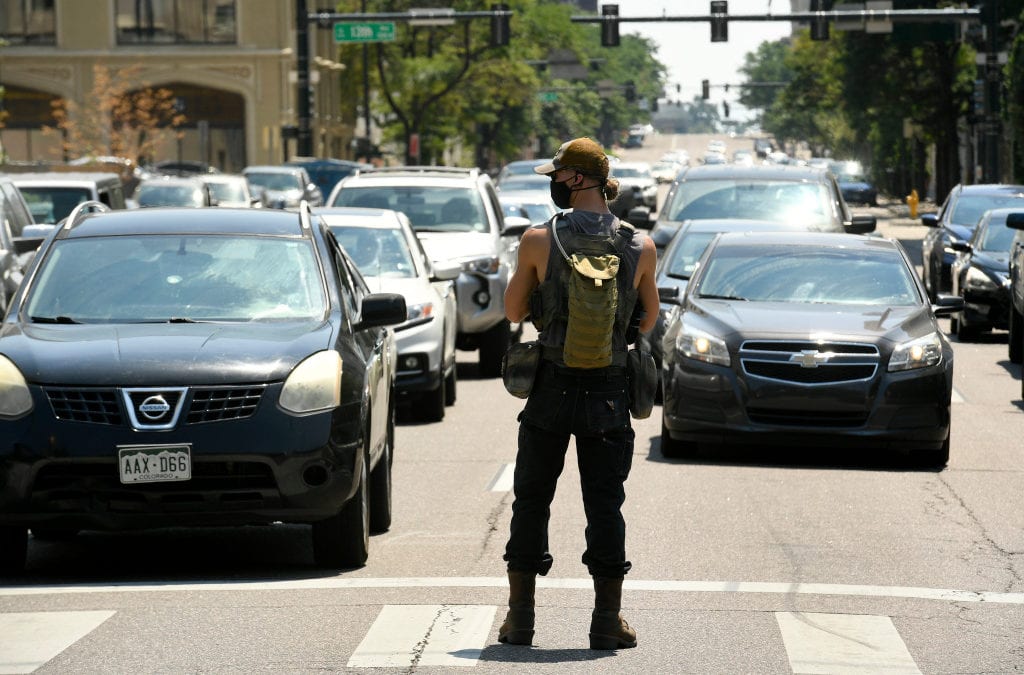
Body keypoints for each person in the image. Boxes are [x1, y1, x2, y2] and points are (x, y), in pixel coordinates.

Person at [499, 137, 658, 650]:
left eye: (557, 174)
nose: (553, 182)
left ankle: (520, 619)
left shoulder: (539, 239)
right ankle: (606, 621)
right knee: (605, 506)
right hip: (608, 391)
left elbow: (513, 311)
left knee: (532, 500)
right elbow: (649, 318)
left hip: (551, 385)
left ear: (575, 179)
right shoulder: (639, 244)